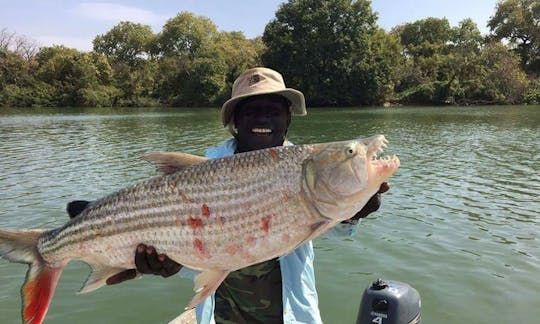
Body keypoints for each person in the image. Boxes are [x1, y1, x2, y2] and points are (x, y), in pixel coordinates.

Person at [81, 67, 389, 323]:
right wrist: (163, 265)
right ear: (235, 122)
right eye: (252, 111)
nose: (263, 119)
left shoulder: (305, 166)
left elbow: (334, 230)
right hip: (221, 315)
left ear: (288, 119)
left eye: (274, 111)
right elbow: (192, 249)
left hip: (290, 315)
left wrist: (354, 211)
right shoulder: (203, 173)